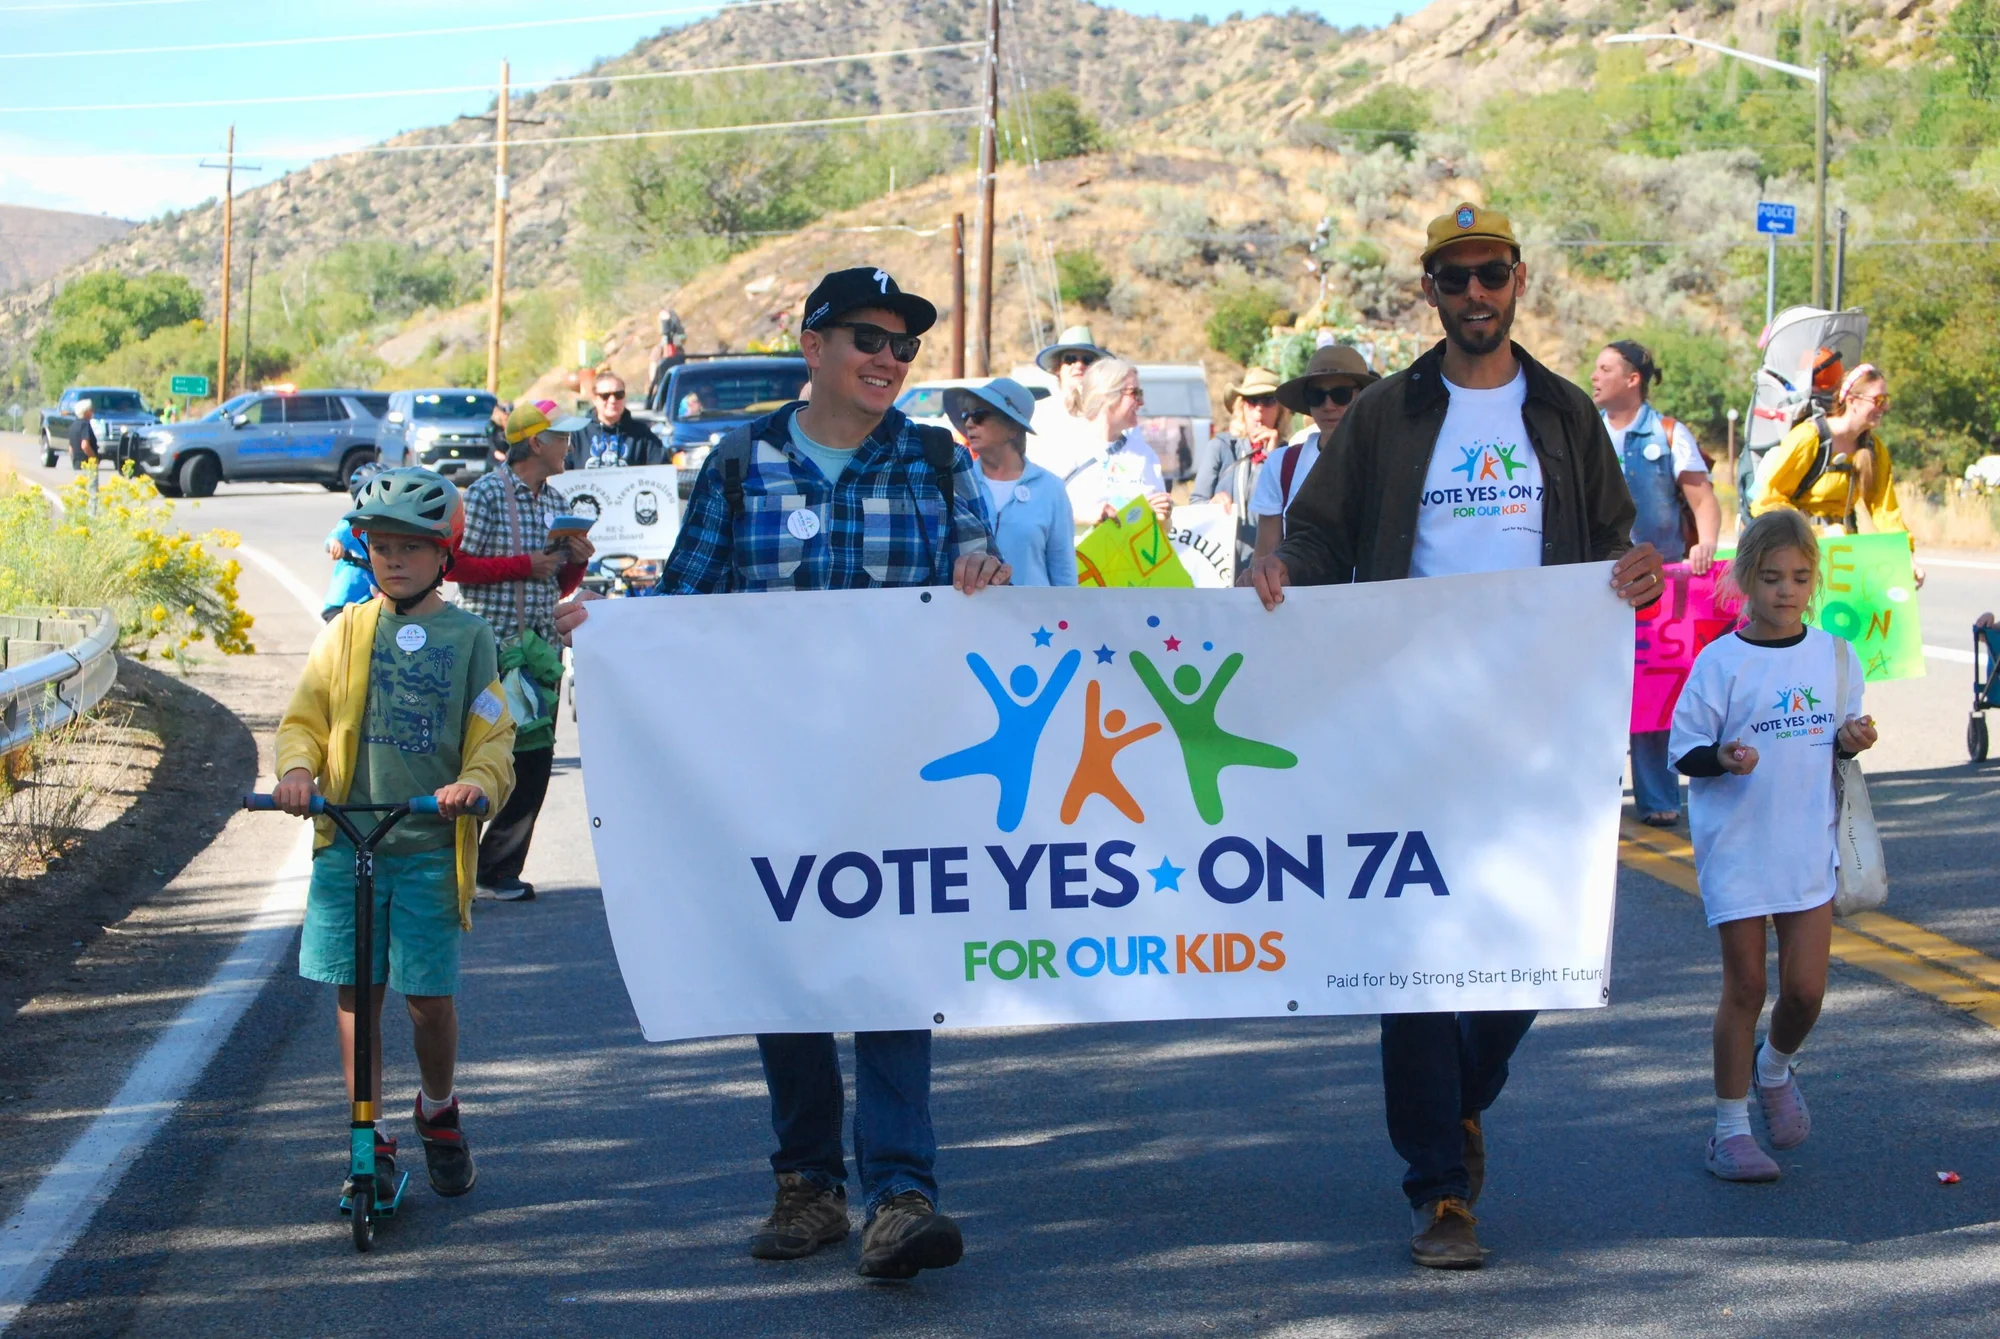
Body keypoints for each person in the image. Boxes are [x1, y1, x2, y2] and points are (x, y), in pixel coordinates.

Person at [559, 266, 1006, 1283]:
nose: (887, 359)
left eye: (903, 346)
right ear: (812, 347)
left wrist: (980, 570)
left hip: (904, 771)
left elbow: (980, 554)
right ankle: (808, 1185)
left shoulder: (935, 460)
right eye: (867, 339)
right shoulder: (739, 459)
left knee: (897, 969)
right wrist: (613, 635)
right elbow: (686, 602)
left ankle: (900, 1193)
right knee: (790, 969)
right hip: (772, 777)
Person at [1249, 202, 1664, 1270]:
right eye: (1451, 277)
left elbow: (1618, 547)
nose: (1472, 294)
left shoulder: (1566, 414)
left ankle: (1463, 1095)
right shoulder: (1387, 414)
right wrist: (1283, 573)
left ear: (1517, 280)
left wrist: (1633, 572)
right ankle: (1437, 1189)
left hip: (1538, 729)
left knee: (1534, 943)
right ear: (1426, 291)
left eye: (1489, 274)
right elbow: (1316, 533)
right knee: (1419, 959)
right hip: (1409, 725)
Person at [271, 467, 516, 1205]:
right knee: (357, 993)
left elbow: (494, 732)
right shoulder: (345, 631)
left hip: (428, 848)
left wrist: (475, 783)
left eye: (411, 548)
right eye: (381, 547)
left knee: (427, 1001)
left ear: (444, 553)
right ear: (364, 552)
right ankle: (366, 1132)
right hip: (350, 841)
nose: (395, 561)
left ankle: (438, 1108)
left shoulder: (471, 637)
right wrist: (295, 770)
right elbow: (304, 718)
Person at [1668, 508, 1876, 1182]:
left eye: (1799, 577)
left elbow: (1839, 739)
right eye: (1771, 576)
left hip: (1805, 843)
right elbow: (1686, 752)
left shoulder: (1836, 656)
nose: (1786, 589)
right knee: (1747, 983)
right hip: (1737, 846)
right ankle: (1728, 1131)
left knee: (1807, 992)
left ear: (1813, 582)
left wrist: (1852, 738)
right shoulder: (1721, 660)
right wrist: (1722, 758)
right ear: (1746, 579)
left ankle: (1775, 1067)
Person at [451, 400, 594, 903]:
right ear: (536, 443)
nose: (568, 446)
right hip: (489, 650)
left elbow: (553, 582)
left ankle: (499, 868)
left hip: (540, 653)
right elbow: (452, 567)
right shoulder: (487, 494)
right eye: (562, 438)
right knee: (480, 757)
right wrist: (521, 565)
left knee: (534, 764)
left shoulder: (555, 498)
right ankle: (458, 867)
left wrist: (574, 564)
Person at [1591, 339, 1722, 827]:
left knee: (1653, 693)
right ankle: (1596, 802)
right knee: (1599, 693)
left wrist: (1704, 543)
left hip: (1659, 589)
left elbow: (1701, 497)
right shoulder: (1587, 433)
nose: (1594, 376)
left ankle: (1658, 797)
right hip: (1597, 584)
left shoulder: (1669, 434)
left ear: (1633, 379)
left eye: (1605, 369)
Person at [1246, 345, 1379, 565]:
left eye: (1340, 395)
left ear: (1363, 396)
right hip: (1302, 597)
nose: (1328, 406)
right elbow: (1264, 558)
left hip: (1369, 596)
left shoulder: (1387, 461)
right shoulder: (1282, 466)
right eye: (1316, 396)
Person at [946, 376, 1076, 586]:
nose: (969, 423)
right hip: (970, 615)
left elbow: (1064, 575)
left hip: (1035, 617)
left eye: (979, 415)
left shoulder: (1050, 488)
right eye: (965, 415)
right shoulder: (956, 484)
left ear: (1012, 428)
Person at [1063, 357, 1172, 529]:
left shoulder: (1145, 455)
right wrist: (1086, 516)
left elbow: (1163, 531)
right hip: (1074, 555)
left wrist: (1163, 516)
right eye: (1134, 393)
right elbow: (1039, 512)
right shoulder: (1065, 447)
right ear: (1107, 395)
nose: (1141, 402)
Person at [1190, 367, 1286, 514]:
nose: (1259, 408)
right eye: (1252, 400)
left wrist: (1273, 458)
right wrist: (1212, 503)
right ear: (1242, 407)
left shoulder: (1289, 454)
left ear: (1280, 410)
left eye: (1268, 400)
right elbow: (1196, 503)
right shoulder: (1222, 447)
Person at [1027, 324, 1113, 466]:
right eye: (1070, 359)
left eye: (1087, 360)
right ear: (1057, 368)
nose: (1079, 365)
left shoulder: (1109, 413)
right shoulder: (1038, 412)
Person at [321, 461, 389, 621]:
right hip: (345, 603)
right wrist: (334, 544)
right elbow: (335, 536)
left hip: (375, 600)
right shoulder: (354, 522)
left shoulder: (392, 526)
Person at [568, 373, 661, 469]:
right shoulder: (577, 434)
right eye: (605, 396)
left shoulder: (642, 434)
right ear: (594, 399)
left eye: (619, 395)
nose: (612, 400)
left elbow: (660, 468)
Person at [68, 398, 98, 472]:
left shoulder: (73, 425)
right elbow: (85, 445)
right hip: (87, 465)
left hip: (76, 465)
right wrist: (94, 459)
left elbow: (71, 448)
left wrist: (74, 461)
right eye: (91, 410)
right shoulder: (85, 424)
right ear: (85, 412)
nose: (92, 412)